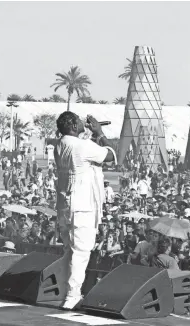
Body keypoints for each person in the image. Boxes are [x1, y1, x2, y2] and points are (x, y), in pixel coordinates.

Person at [54, 112, 117, 310]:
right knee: (81, 252)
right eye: (79, 121)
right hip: (82, 206)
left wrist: (88, 136)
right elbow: (111, 155)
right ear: (73, 125)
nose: (83, 122)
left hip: (65, 205)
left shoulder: (61, 144)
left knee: (68, 251)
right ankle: (72, 296)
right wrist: (99, 132)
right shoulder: (81, 146)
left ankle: (65, 292)